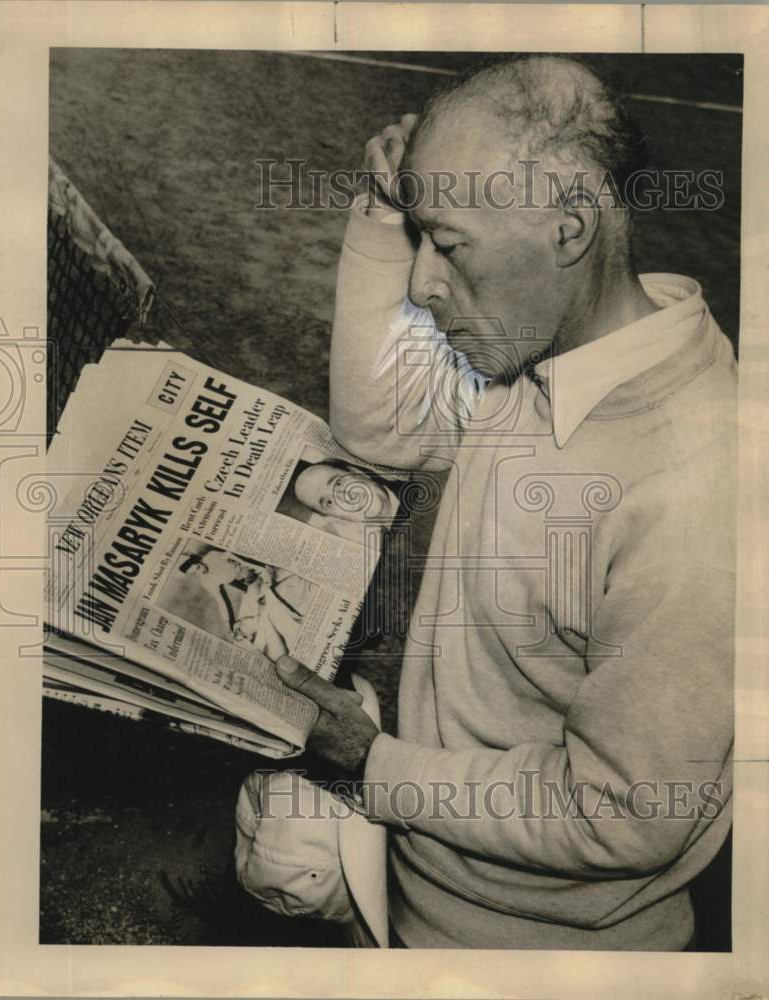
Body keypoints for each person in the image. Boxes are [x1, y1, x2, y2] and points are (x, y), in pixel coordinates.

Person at [274, 55, 736, 950]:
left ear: (568, 230)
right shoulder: (543, 357)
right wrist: (384, 216)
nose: (420, 284)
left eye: (447, 246)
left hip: (526, 952)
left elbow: (624, 814)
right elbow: (383, 430)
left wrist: (376, 767)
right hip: (428, 879)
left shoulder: (694, 488)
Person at [180, 549, 312, 660]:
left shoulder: (213, 556)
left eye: (198, 567)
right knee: (257, 616)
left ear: (198, 561)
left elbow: (244, 561)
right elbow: (222, 601)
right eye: (195, 573)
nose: (200, 572)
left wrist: (265, 575)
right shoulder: (206, 580)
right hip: (252, 584)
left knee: (277, 597)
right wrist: (228, 623)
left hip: (260, 569)